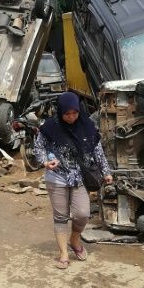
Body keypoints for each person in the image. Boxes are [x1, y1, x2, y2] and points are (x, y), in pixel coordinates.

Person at [33, 92, 113, 269]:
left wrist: (106, 172)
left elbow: (97, 152)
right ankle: (63, 253)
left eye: (74, 113)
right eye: (67, 114)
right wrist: (45, 162)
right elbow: (38, 148)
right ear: (60, 112)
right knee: (60, 217)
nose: (71, 117)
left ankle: (75, 239)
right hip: (56, 178)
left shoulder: (87, 126)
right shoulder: (49, 127)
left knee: (82, 214)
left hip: (80, 178)